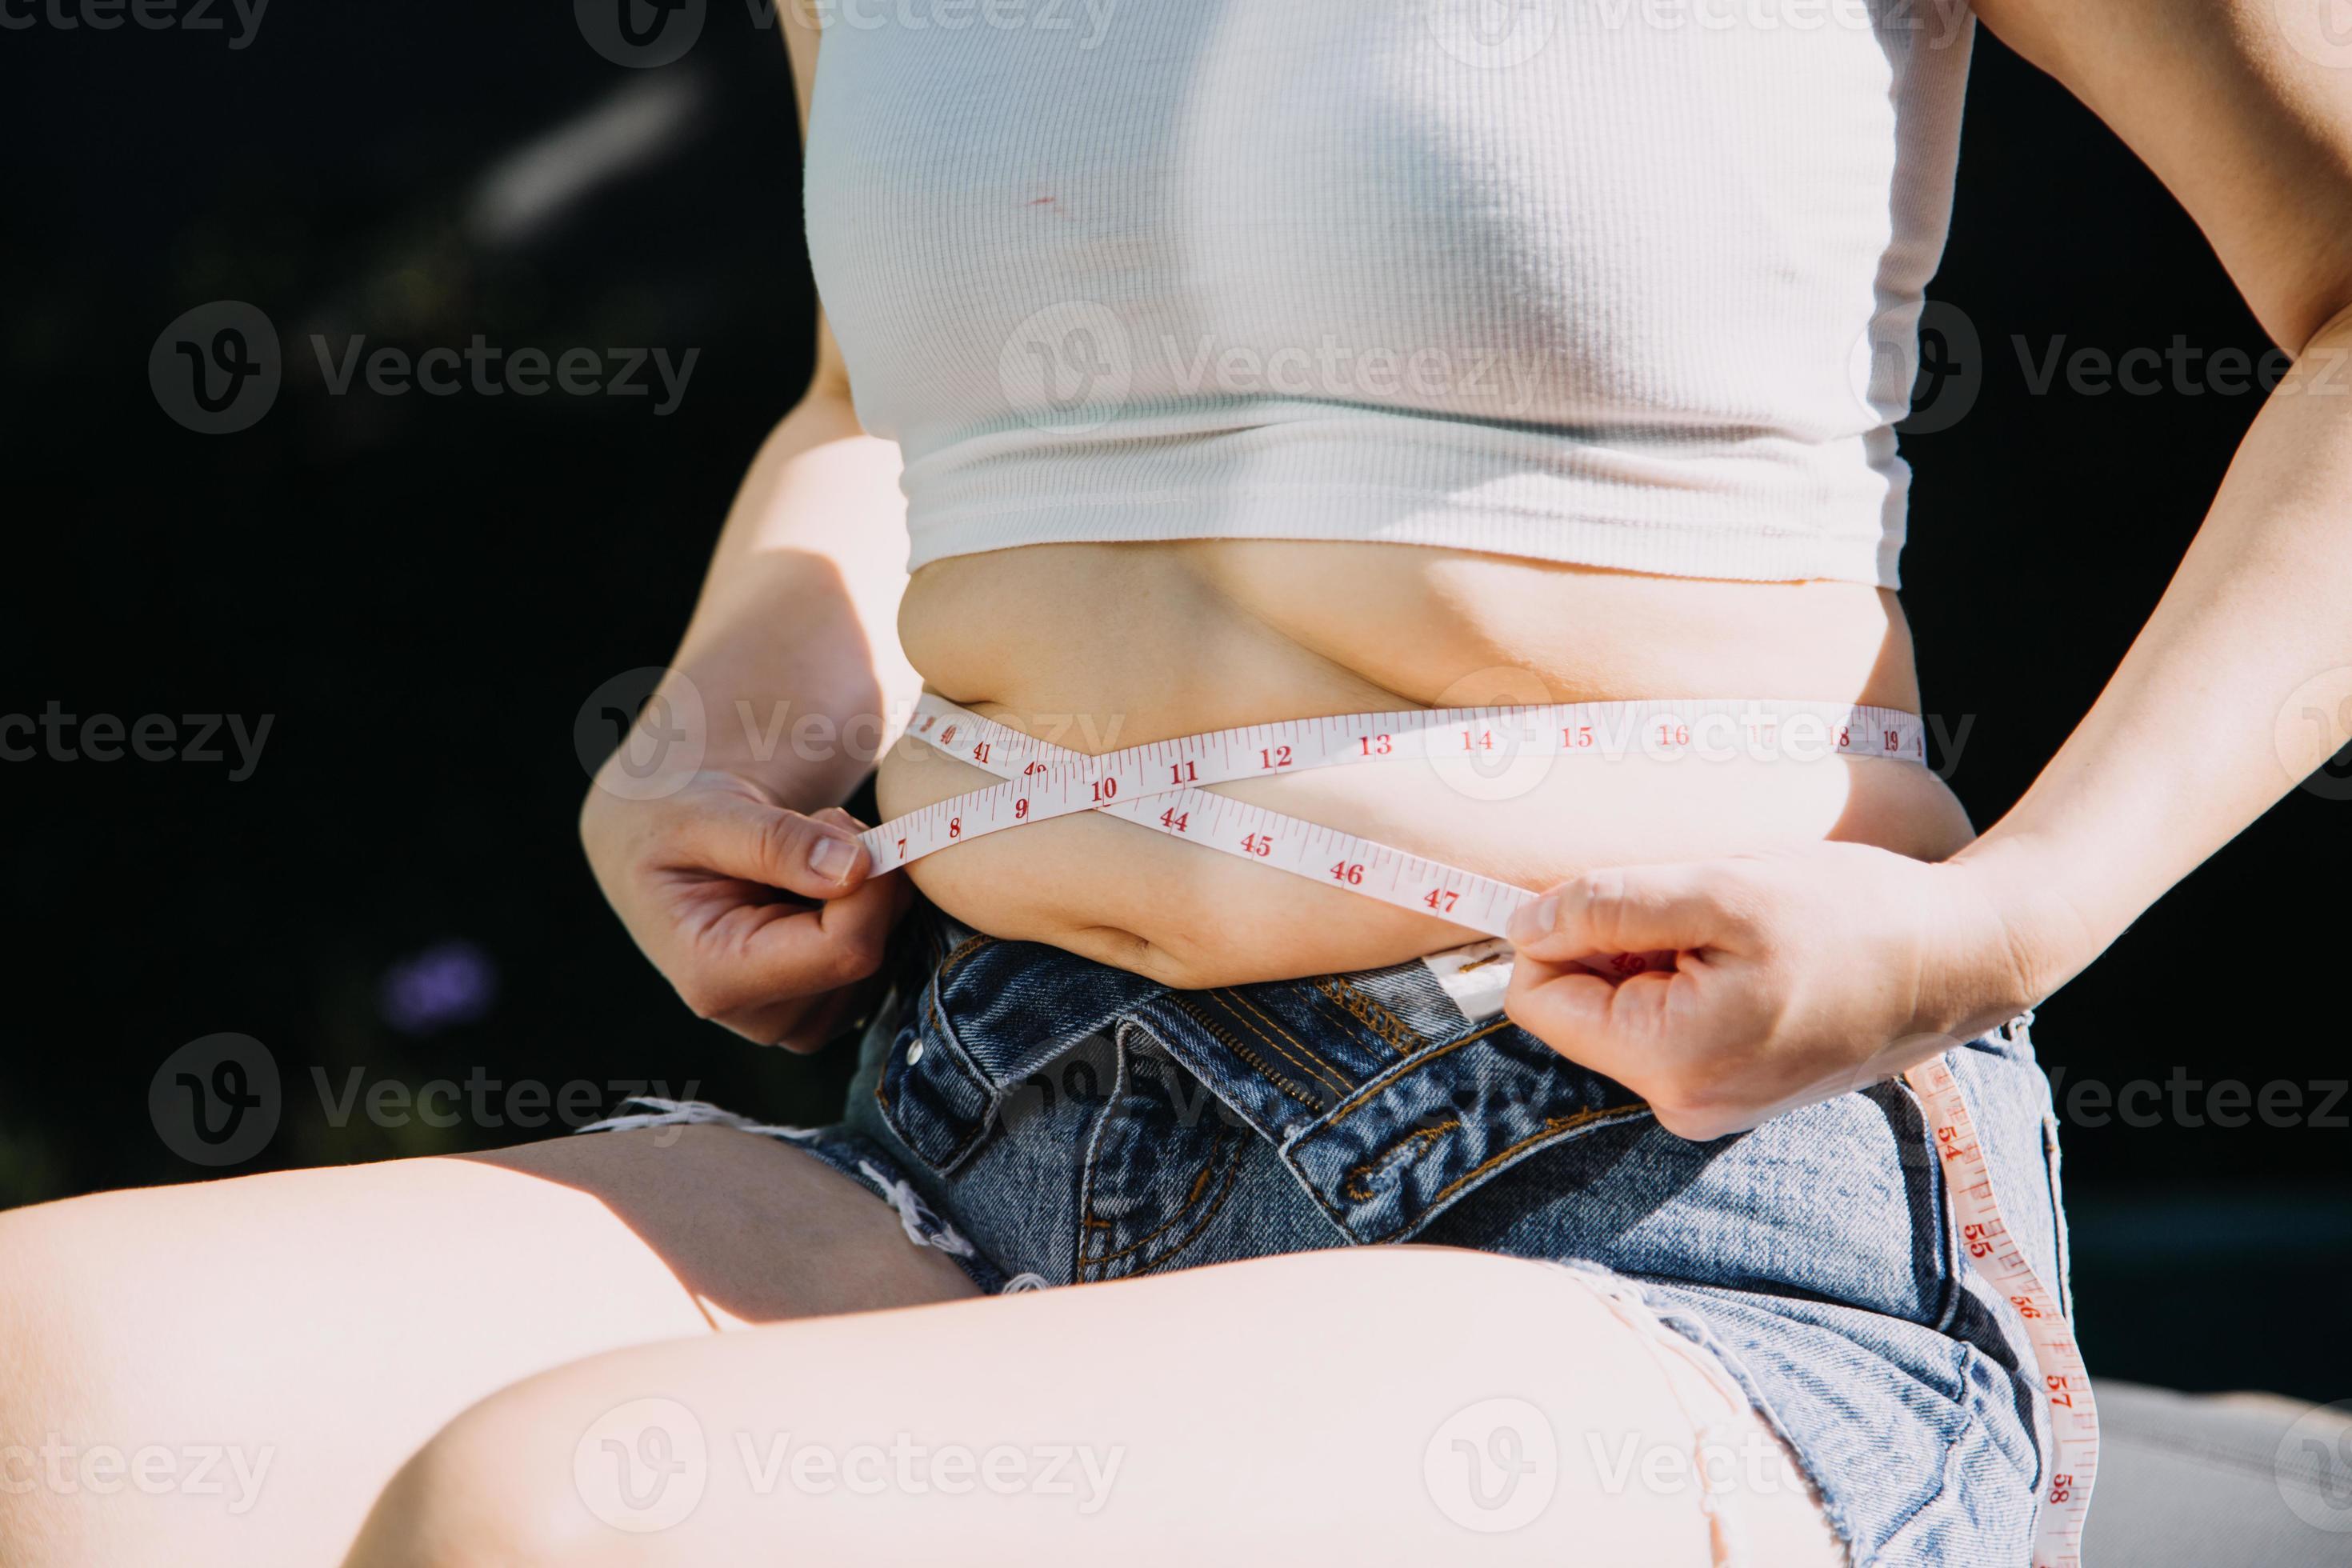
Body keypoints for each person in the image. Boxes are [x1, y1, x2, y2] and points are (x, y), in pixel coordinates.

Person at [6, 2, 2350, 1563]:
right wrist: (741, 696)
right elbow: (881, 409)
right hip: (980, 1125)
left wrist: (2008, 912)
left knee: (585, 1520)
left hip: (1646, 1199)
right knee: (57, 1404)